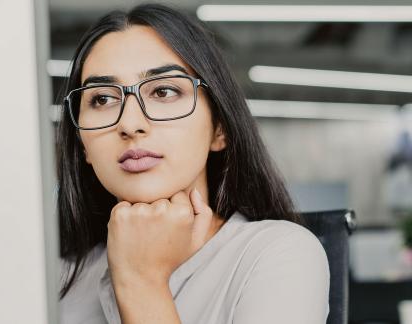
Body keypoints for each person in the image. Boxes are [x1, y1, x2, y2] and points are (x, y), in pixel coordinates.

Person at [56, 4, 329, 324]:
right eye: (102, 99)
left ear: (219, 128)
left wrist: (141, 281)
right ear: (82, 145)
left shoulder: (278, 254)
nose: (130, 124)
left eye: (164, 91)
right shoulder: (60, 279)